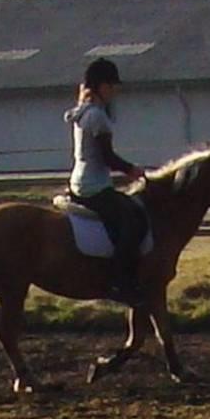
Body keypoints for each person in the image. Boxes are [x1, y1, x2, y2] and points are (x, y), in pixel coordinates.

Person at [63, 57, 147, 307]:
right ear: (100, 86)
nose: (114, 91)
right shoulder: (97, 116)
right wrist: (132, 170)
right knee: (133, 220)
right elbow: (107, 157)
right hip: (94, 186)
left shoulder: (83, 112)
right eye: (111, 86)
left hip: (79, 180)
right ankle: (119, 282)